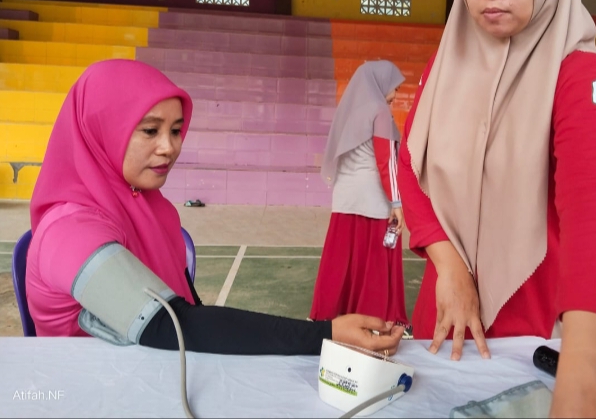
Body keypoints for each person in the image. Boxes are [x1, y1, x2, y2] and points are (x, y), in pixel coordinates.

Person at [397, 0, 596, 418]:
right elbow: (411, 163)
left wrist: (586, 361)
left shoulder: (582, 76)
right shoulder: (449, 62)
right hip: (446, 322)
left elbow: (592, 212)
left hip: (534, 340)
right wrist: (450, 266)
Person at [25, 59, 404, 356]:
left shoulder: (154, 210)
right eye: (150, 130)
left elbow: (189, 306)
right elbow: (171, 325)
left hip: (146, 373)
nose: (169, 147)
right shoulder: (69, 231)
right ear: (101, 129)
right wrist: (326, 334)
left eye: (176, 130)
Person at [309, 60, 411, 337]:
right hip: (373, 198)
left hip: (345, 195)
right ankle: (376, 318)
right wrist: (397, 202)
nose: (395, 94)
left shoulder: (351, 110)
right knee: (375, 261)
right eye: (394, 87)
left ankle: (330, 316)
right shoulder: (380, 111)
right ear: (380, 83)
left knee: (342, 259)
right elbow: (386, 161)